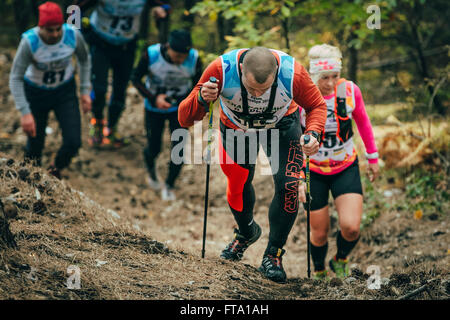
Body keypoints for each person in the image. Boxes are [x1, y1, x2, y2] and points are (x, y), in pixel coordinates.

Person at [178, 46, 327, 283]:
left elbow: (316, 106)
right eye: (251, 89)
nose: (257, 95)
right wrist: (200, 98)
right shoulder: (221, 70)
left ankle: (273, 254)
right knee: (237, 183)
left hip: (282, 126)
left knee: (289, 185)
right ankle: (247, 232)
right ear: (240, 70)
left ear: (276, 73)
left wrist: (314, 133)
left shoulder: (293, 73)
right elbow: (184, 118)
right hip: (237, 128)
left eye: (264, 89)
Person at [300, 44, 379, 280]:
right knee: (319, 233)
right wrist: (297, 176)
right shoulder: (301, 96)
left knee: (352, 227)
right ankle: (319, 270)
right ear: (314, 76)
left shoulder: (349, 90)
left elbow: (363, 123)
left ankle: (340, 259)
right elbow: (291, 137)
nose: (330, 82)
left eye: (335, 76)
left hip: (345, 165)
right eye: (325, 77)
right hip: (313, 170)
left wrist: (372, 157)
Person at [9, 1, 92, 179]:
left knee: (73, 141)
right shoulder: (29, 42)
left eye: (57, 29)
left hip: (64, 91)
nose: (54, 34)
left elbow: (84, 60)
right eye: (49, 30)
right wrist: (25, 112)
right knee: (35, 146)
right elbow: (15, 77)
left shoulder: (72, 35)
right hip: (35, 93)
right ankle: (31, 180)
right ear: (41, 27)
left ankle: (56, 169)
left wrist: (85, 91)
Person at [73, 0, 170, 148]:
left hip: (127, 46)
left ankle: (111, 129)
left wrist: (162, 11)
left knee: (120, 89)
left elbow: (166, 6)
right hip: (100, 44)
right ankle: (97, 123)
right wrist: (80, 34)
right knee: (99, 88)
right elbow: (73, 8)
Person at [131, 29, 202, 201]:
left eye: (183, 56)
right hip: (154, 107)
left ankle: (169, 184)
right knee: (154, 146)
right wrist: (154, 98)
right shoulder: (151, 55)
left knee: (178, 148)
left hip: (179, 109)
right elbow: (135, 78)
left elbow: (198, 85)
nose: (179, 60)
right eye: (176, 55)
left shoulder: (195, 59)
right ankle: (151, 170)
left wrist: (190, 104)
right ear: (168, 47)